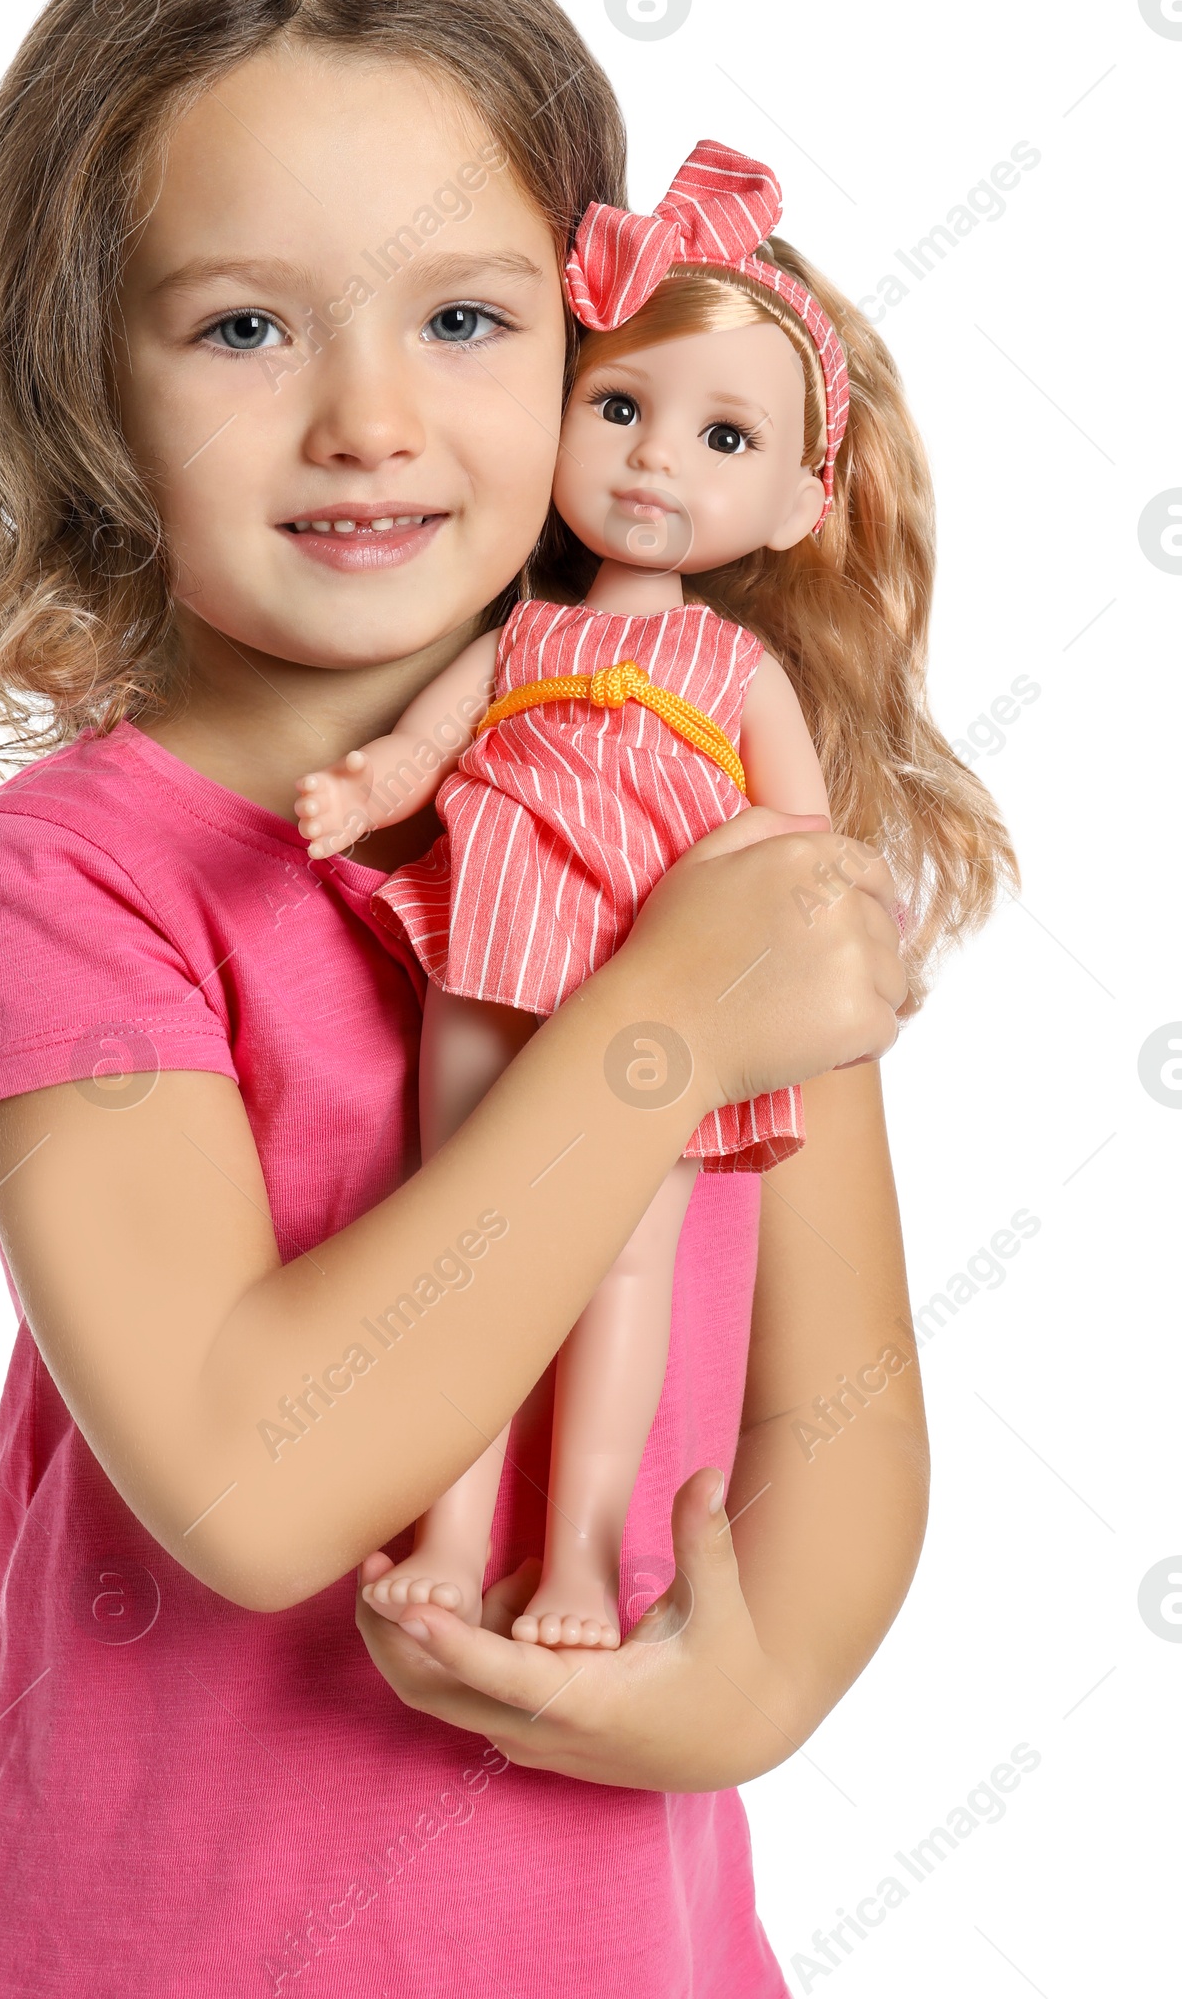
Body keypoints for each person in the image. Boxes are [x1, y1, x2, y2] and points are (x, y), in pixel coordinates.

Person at [0, 0, 912, 1998]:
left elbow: (845, 1421)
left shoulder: (712, 829)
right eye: (245, 326)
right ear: (85, 375)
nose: (366, 419)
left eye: (461, 321)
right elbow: (256, 1484)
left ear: (591, 349)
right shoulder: (72, 880)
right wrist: (650, 1032)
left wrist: (741, 1700)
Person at [295, 140, 1013, 1650]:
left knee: (623, 1269)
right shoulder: (527, 640)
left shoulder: (738, 672)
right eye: (618, 409)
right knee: (460, 1225)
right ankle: (449, 1529)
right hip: (497, 946)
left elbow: (800, 866)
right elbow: (429, 744)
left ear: (804, 505)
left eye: (723, 439)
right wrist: (372, 789)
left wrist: (840, 957)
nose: (651, 463)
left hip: (666, 999)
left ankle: (575, 1561)